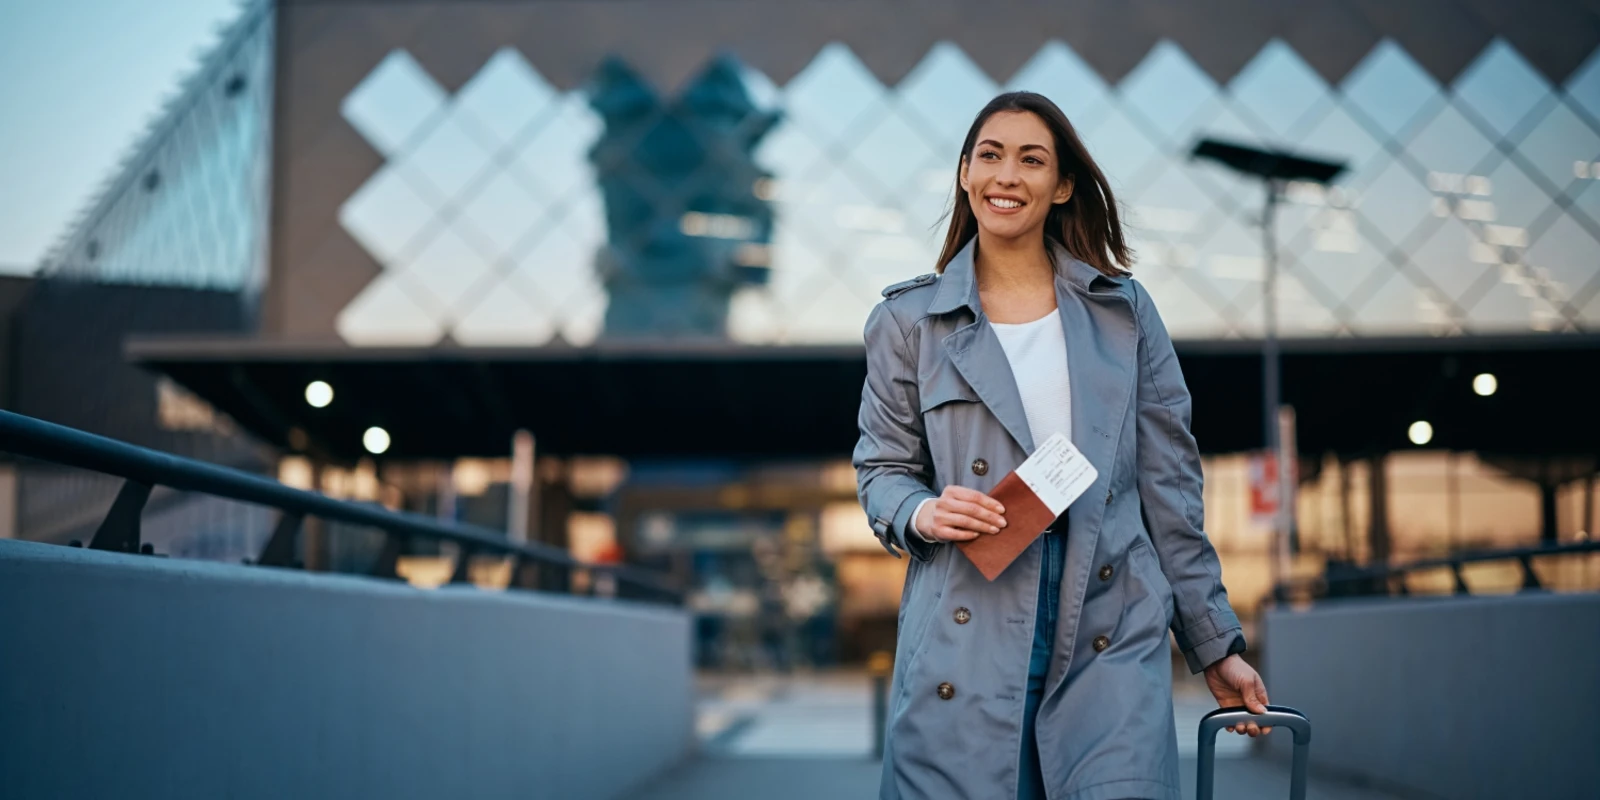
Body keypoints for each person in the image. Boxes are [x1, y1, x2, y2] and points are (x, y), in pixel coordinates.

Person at [853, 91, 1271, 800]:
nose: (1006, 175)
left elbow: (1169, 490)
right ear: (964, 175)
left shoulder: (1123, 312)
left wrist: (1214, 644)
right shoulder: (908, 321)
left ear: (1063, 185)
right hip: (967, 623)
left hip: (1109, 618)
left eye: (1031, 160)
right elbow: (883, 468)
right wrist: (923, 512)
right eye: (989, 156)